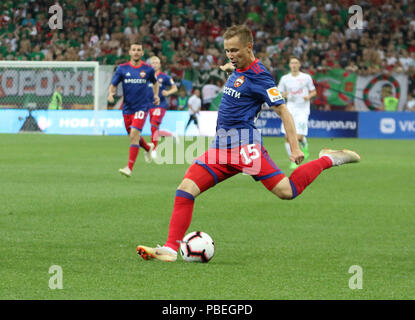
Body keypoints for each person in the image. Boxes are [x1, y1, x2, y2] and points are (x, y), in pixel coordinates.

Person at [137, 25, 360, 262]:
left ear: (249, 47)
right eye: (227, 51)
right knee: (185, 190)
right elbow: (234, 70)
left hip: (246, 148)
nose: (230, 55)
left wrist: (294, 147)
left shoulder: (261, 77)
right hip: (220, 149)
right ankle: (171, 248)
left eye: (235, 50)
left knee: (287, 192)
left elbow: (284, 111)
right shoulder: (237, 67)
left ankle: (328, 159)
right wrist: (227, 66)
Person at [108, 42, 160, 178]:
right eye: (133, 50)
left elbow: (155, 83)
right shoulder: (122, 68)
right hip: (127, 109)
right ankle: (148, 148)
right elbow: (113, 85)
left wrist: (155, 95)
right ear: (129, 52)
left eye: (139, 50)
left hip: (142, 107)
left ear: (142, 53)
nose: (136, 52)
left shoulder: (148, 69)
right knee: (134, 136)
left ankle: (129, 168)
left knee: (133, 135)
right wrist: (111, 94)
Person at [278, 56, 317, 170]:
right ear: (289, 65)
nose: (294, 65)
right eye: (292, 63)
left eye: (296, 63)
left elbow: (314, 91)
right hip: (290, 108)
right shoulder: (285, 78)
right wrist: (282, 95)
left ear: (299, 65)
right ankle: (293, 160)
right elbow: (279, 93)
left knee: (298, 137)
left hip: (303, 110)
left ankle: (304, 145)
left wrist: (308, 96)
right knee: (287, 136)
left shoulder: (306, 77)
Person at [148, 56, 178, 158]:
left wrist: (168, 92)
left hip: (161, 105)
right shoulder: (146, 77)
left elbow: (175, 88)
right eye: (153, 63)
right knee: (154, 128)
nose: (155, 64)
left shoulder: (164, 77)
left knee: (153, 125)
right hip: (149, 105)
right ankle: (171, 135)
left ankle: (154, 149)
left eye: (156, 63)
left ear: (160, 65)